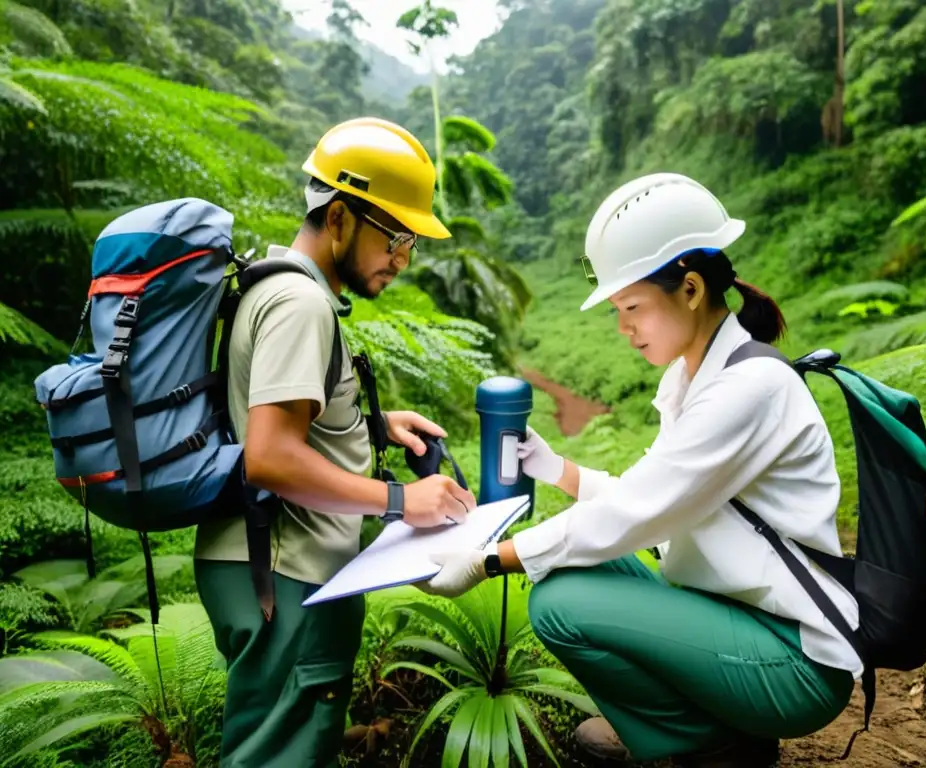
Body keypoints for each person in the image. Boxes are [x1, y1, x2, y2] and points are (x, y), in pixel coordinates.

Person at [421, 172, 859, 768]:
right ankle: (718, 728)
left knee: (560, 605)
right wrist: (558, 469)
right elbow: (649, 495)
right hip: (741, 617)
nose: (623, 327)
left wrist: (487, 561)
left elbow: (640, 512)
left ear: (691, 289)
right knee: (585, 563)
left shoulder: (747, 388)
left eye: (631, 306)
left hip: (796, 660)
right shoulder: (694, 377)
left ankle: (708, 743)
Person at [193, 117, 477, 768]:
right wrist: (404, 500)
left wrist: (372, 427)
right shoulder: (301, 305)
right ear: (342, 217)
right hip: (286, 577)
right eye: (398, 237)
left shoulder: (272, 285)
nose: (402, 259)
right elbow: (269, 455)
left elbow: (272, 419)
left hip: (269, 566)